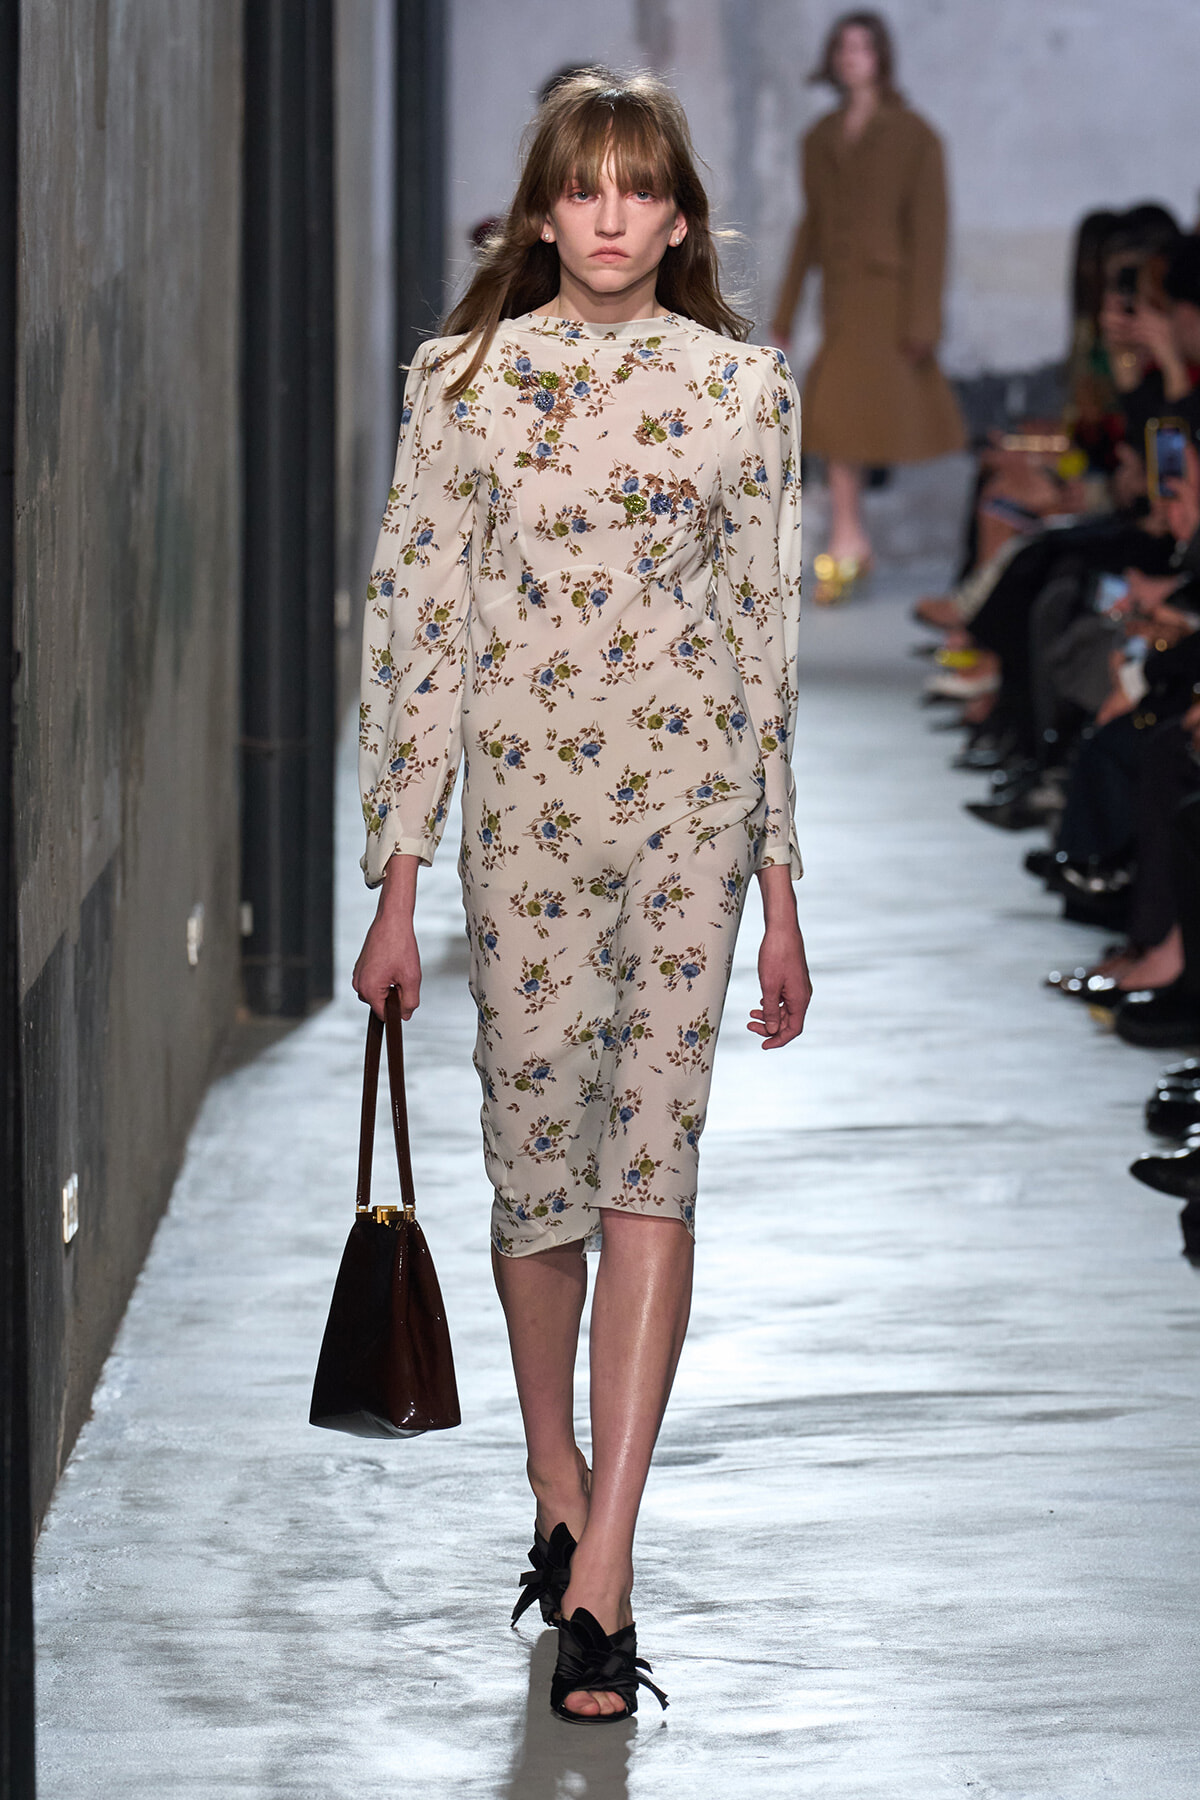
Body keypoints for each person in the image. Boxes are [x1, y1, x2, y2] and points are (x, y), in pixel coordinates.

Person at [352, 69, 811, 1724]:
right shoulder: (465, 381)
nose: (612, 216)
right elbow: (419, 638)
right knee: (533, 1170)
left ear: (679, 215)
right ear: (542, 209)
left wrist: (781, 885)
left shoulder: (743, 393)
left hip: (686, 821)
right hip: (525, 834)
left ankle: (606, 1566)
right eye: (583, 187)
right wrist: (396, 881)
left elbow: (765, 643)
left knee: (650, 1171)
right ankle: (556, 1477)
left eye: (641, 190)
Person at [771, 9, 964, 603]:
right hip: (841, 300)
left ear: (881, 56)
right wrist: (784, 313)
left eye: (863, 46)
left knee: (846, 419)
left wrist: (924, 320)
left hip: (889, 302)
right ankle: (851, 539)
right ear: (833, 58)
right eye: (843, 47)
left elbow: (930, 230)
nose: (852, 56)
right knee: (833, 419)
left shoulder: (914, 135)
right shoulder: (820, 139)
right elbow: (812, 226)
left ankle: (850, 540)